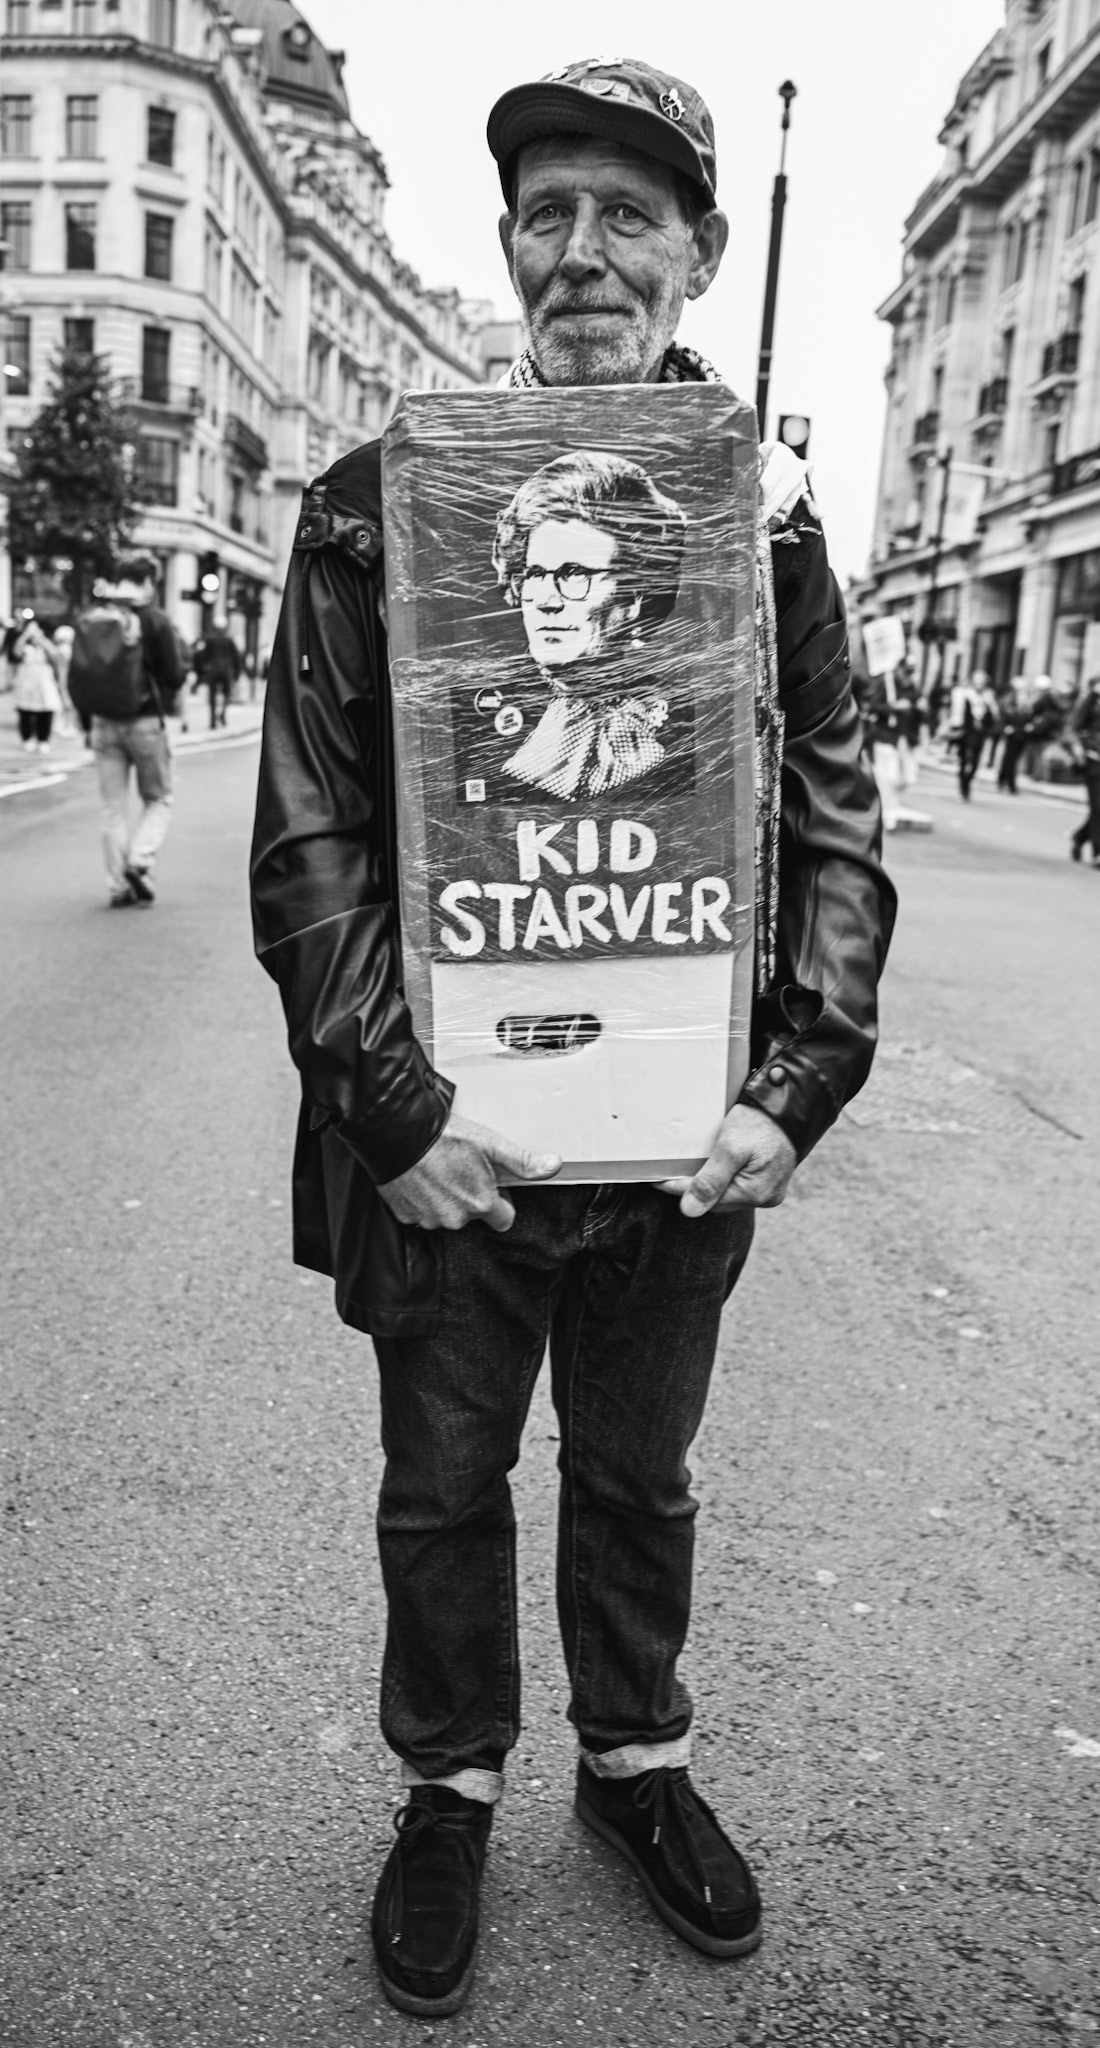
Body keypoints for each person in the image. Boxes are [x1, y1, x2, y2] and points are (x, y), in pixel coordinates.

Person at [251, 55, 896, 2020]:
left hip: (677, 1139)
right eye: (548, 213)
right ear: (510, 248)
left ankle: (633, 1767)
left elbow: (834, 824)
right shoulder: (375, 504)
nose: (583, 251)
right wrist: (393, 1098)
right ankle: (446, 1784)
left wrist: (796, 1084)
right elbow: (313, 830)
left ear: (697, 256)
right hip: (451, 1139)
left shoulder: (767, 528)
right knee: (440, 1485)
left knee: (636, 1474)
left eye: (630, 215)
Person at [452, 449, 689, 804]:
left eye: (574, 573)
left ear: (636, 594)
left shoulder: (687, 729)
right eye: (534, 574)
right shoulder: (479, 719)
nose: (546, 600)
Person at [70, 554, 183, 907]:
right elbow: (175, 675)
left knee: (112, 808)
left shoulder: (93, 617)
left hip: (103, 723)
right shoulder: (154, 620)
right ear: (149, 580)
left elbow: (82, 674)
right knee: (159, 799)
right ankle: (140, 860)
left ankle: (118, 885)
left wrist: (87, 723)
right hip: (145, 722)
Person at [9, 616, 63, 754]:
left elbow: (55, 655)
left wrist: (41, 639)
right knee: (25, 713)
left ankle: (43, 739)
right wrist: (26, 634)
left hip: (44, 684)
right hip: (26, 683)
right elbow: (15, 651)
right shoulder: (25, 646)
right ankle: (27, 738)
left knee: (45, 713)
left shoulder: (46, 645)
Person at [948, 667, 994, 800]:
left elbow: (992, 717)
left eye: (982, 681)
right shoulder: (965, 695)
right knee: (964, 760)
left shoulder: (988, 697)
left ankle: (968, 780)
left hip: (979, 735)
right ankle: (964, 789)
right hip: (966, 733)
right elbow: (957, 713)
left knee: (975, 762)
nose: (979, 683)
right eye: (977, 680)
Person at [1069, 675, 1100, 864]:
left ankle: (1080, 837)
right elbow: (1073, 728)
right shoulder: (1090, 701)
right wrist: (1078, 749)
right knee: (1098, 806)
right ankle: (1098, 851)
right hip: (1094, 758)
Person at [192, 618, 241, 730]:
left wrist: (203, 670)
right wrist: (237, 674)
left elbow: (203, 656)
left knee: (212, 696)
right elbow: (236, 657)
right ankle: (223, 714)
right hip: (226, 671)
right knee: (227, 694)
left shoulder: (210, 639)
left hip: (213, 670)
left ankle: (213, 721)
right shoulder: (229, 640)